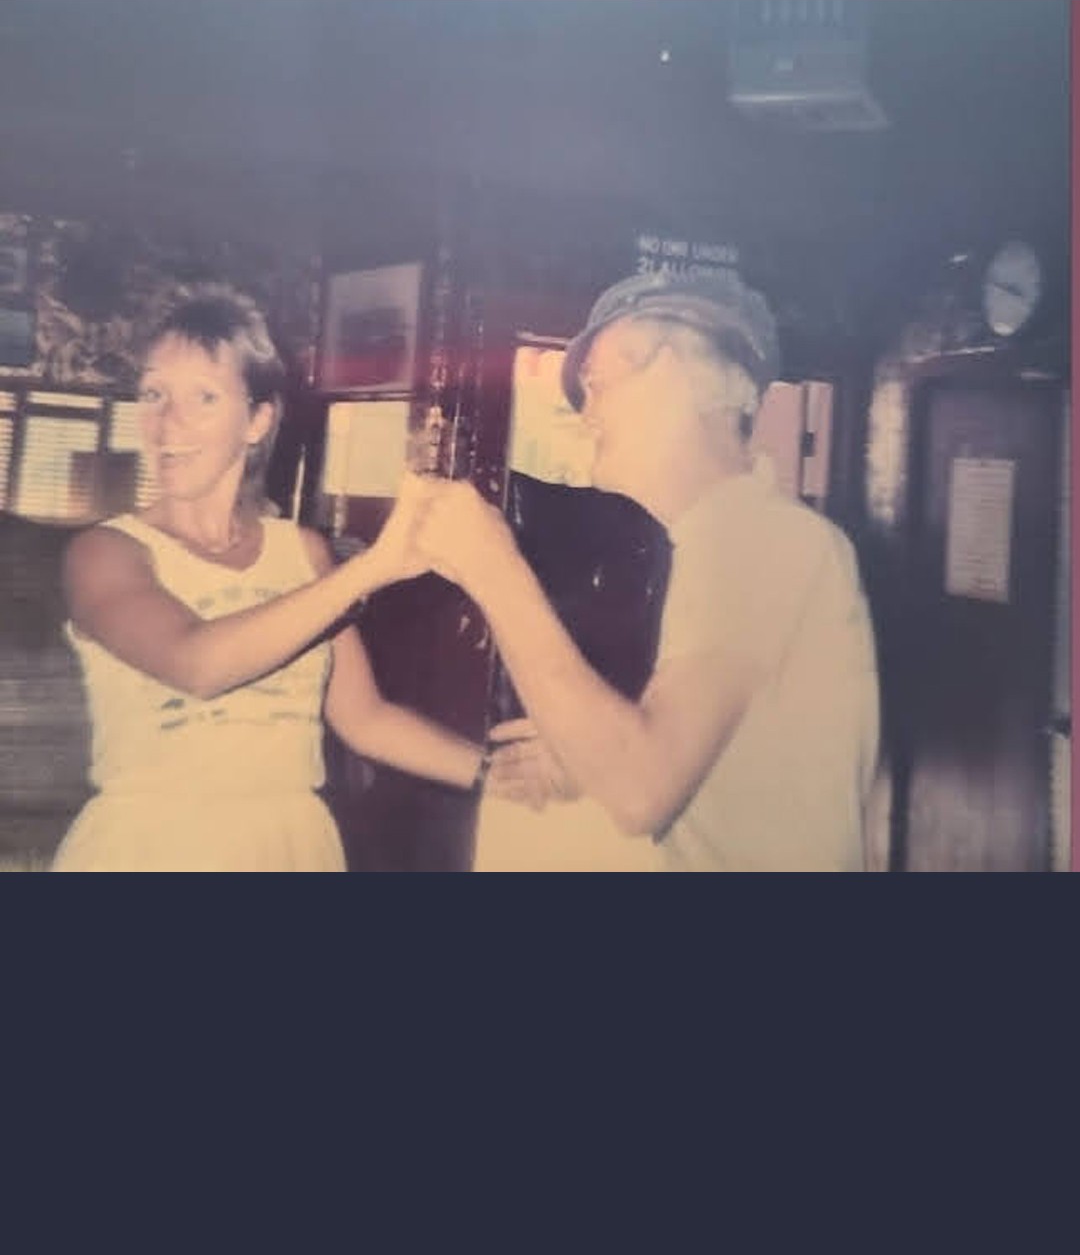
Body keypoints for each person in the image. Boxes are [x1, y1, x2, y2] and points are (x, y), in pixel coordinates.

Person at [404, 266, 881, 873]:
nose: (586, 415)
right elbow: (689, 758)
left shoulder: (761, 539)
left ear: (671, 376)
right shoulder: (720, 542)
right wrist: (584, 760)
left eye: (597, 385)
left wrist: (493, 570)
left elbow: (640, 791)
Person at [52, 282, 490, 872]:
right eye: (153, 393)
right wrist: (374, 568)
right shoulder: (105, 553)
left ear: (257, 420)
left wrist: (500, 777)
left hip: (290, 846)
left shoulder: (302, 553)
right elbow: (198, 665)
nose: (166, 423)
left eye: (203, 397)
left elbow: (366, 720)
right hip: (153, 847)